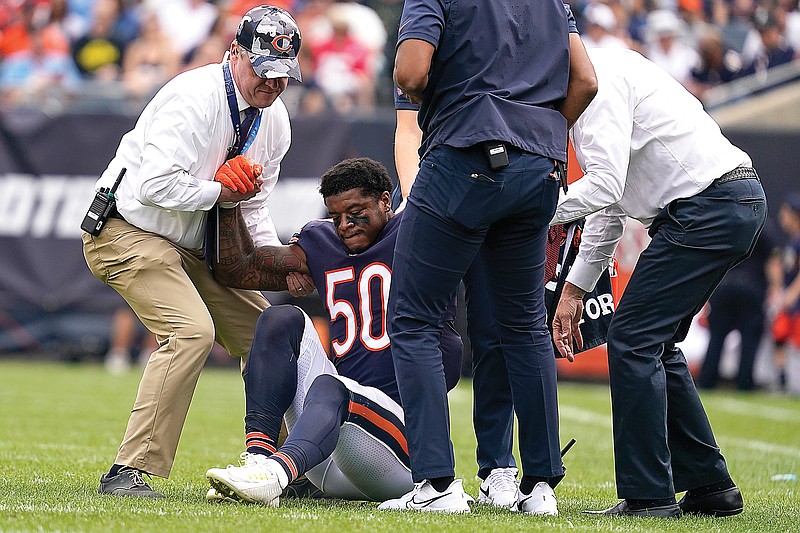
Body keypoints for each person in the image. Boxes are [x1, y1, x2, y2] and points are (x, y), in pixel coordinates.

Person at [80, 5, 303, 498]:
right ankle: (129, 471)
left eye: (284, 75)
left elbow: (257, 208)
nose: (273, 84)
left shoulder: (276, 121)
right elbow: (154, 186)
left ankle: (287, 466)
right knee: (191, 332)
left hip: (191, 240)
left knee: (269, 332)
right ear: (235, 53)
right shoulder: (191, 97)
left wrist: (271, 262)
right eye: (264, 71)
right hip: (125, 229)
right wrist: (217, 191)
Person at [389, 3, 598, 511]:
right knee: (524, 325)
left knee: (413, 319)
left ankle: (436, 484)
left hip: (466, 154)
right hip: (539, 169)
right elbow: (585, 81)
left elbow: (411, 71)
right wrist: (539, 133)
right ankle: (541, 486)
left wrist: (440, 97)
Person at [551, 47, 765, 518]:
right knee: (653, 343)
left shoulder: (597, 82)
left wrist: (534, 216)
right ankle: (711, 487)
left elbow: (604, 188)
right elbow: (609, 206)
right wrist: (574, 290)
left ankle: (649, 496)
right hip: (722, 203)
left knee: (632, 339)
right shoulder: (598, 76)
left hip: (708, 206)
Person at [202, 158, 464, 506]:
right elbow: (237, 271)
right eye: (336, 216)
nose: (345, 225)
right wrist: (230, 200)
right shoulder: (320, 240)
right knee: (279, 319)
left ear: (386, 202)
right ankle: (260, 459)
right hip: (331, 449)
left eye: (356, 212)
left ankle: (275, 476)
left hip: (397, 452)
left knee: (332, 386)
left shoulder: (415, 231)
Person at [698, 227, 781, 391]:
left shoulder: (723, 225)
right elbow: (773, 262)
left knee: (716, 337)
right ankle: (744, 384)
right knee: (749, 338)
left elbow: (710, 258)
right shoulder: (762, 227)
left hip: (723, 285)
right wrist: (775, 287)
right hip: (752, 287)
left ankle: (707, 381)